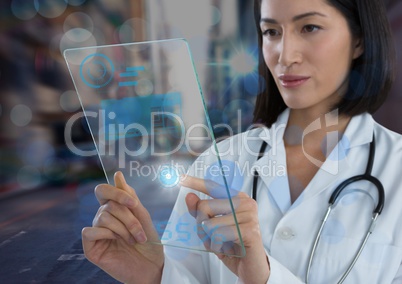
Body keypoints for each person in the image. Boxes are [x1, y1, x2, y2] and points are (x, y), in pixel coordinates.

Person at [81, 0, 402, 283]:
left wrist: (261, 277)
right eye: (271, 32)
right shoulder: (218, 162)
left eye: (310, 27)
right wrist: (152, 274)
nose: (284, 55)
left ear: (359, 40)